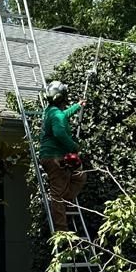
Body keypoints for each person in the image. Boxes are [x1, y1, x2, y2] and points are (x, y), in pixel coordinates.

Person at [38, 80, 86, 232]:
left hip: (52, 156)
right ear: (62, 97)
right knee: (57, 193)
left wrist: (77, 106)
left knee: (79, 175)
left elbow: (62, 116)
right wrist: (73, 147)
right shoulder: (56, 114)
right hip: (54, 158)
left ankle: (66, 197)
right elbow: (59, 133)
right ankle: (62, 230)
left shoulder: (50, 111)